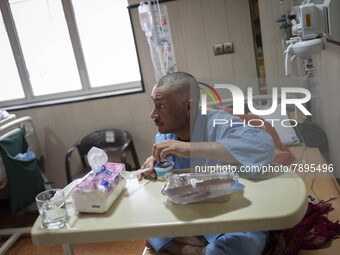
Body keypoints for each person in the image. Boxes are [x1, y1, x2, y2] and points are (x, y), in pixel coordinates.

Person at [138, 72, 275, 255]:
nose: (153, 114)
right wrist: (153, 166)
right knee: (148, 220)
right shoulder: (164, 134)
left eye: (160, 106)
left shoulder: (220, 123)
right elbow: (168, 185)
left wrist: (190, 148)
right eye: (154, 105)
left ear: (188, 106)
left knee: (245, 242)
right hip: (191, 214)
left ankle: (184, 247)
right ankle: (195, 247)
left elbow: (264, 147)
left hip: (229, 213)